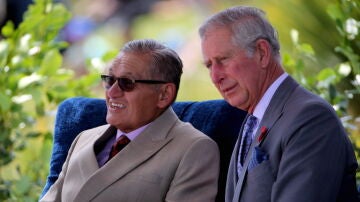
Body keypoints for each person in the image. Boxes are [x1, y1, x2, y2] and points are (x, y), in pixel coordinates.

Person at [198, 6, 359, 202]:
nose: (215, 76)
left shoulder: (311, 118)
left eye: (223, 59)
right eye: (209, 65)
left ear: (262, 53)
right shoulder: (253, 119)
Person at [40, 39, 220, 202]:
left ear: (164, 94)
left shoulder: (194, 149)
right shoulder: (83, 138)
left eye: (127, 83)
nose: (111, 93)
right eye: (110, 80)